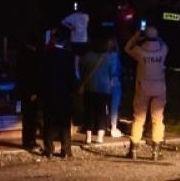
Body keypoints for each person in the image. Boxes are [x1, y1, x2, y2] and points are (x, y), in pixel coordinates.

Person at [125, 26, 168, 160]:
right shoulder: (163, 50)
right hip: (159, 87)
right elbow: (163, 42)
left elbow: (127, 48)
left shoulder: (140, 51)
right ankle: (156, 150)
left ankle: (133, 150)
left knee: (139, 117)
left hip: (143, 87)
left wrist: (136, 37)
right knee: (158, 119)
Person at [39, 28, 76, 158]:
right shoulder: (68, 56)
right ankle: (66, 150)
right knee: (65, 122)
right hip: (64, 93)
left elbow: (42, 75)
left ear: (54, 39)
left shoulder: (46, 55)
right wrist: (72, 90)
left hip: (49, 92)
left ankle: (49, 149)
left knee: (49, 121)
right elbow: (72, 76)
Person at [78, 38, 113, 144]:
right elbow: (112, 72)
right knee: (102, 112)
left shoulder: (87, 56)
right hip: (104, 88)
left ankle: (88, 137)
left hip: (90, 86)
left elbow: (81, 69)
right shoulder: (109, 57)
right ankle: (100, 137)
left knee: (89, 111)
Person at [14, 32, 43, 152]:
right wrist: (34, 92)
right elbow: (34, 75)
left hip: (24, 90)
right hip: (32, 91)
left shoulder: (21, 54)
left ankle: (26, 140)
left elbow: (20, 75)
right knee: (31, 117)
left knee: (26, 117)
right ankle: (30, 141)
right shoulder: (33, 55)